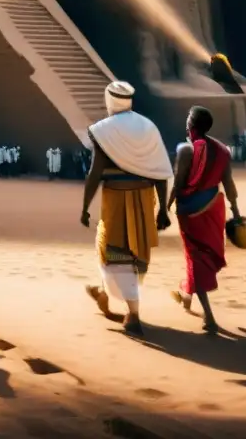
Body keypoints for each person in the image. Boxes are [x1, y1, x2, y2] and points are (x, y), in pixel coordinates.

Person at [81, 82, 172, 337]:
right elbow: (161, 171)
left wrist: (85, 206)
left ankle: (133, 315)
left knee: (112, 250)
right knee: (136, 252)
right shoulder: (148, 127)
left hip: (116, 200)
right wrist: (163, 209)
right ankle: (103, 293)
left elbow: (95, 172)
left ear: (109, 100)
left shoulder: (103, 131)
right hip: (144, 199)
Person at [167, 105, 239, 334]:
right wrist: (236, 212)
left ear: (191, 126)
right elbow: (228, 184)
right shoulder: (221, 151)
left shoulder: (185, 150)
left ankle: (209, 317)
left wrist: (165, 207)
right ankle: (186, 296)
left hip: (189, 212)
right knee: (197, 255)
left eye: (188, 120)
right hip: (212, 209)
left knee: (195, 258)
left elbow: (178, 185)